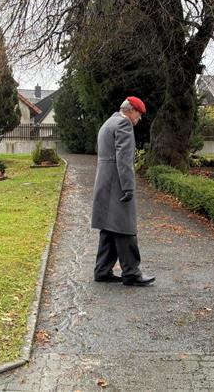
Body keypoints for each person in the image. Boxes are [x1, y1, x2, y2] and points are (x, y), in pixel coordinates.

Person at [91, 96, 155, 287]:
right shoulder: (123, 124)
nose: (139, 119)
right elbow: (124, 160)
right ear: (131, 110)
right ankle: (132, 273)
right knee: (125, 228)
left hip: (105, 181)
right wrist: (128, 187)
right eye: (139, 114)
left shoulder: (109, 123)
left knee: (109, 227)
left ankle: (102, 271)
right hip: (117, 183)